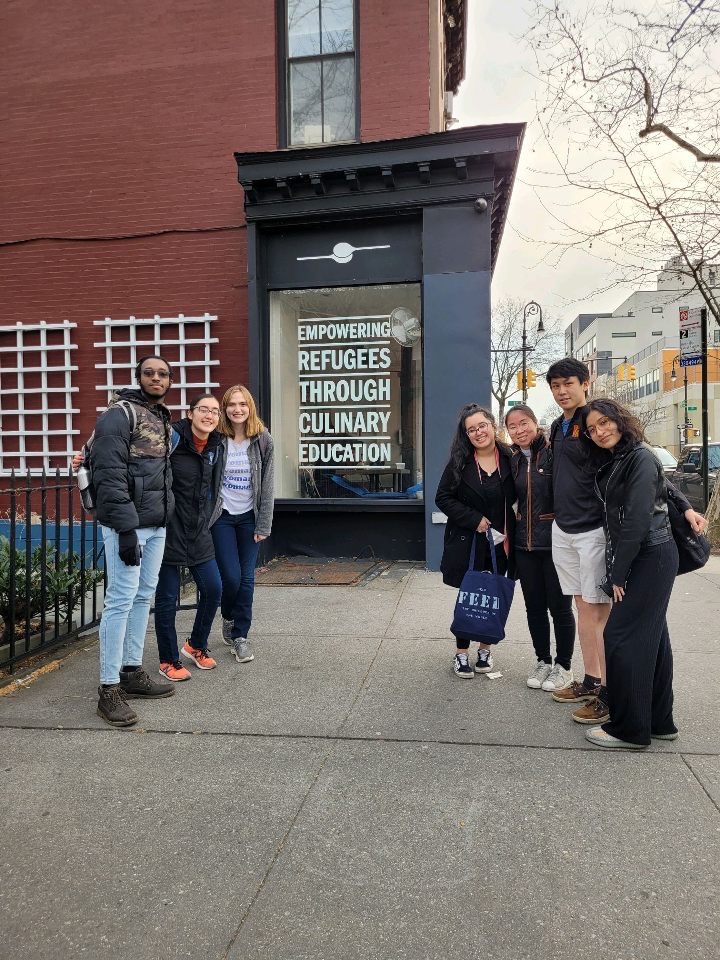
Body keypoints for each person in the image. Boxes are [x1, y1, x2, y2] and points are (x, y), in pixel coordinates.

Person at [546, 358, 707, 726]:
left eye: (567, 383)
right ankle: (591, 679)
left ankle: (607, 692)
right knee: (581, 608)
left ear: (585, 383)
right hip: (565, 531)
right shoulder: (561, 426)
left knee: (599, 614)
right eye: (555, 386)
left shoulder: (596, 422)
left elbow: (646, 475)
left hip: (594, 531)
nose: (561, 391)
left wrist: (683, 506)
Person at [580, 399, 681, 748]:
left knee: (622, 638)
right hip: (649, 554)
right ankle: (658, 720)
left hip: (648, 555)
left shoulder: (639, 457)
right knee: (652, 639)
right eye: (592, 429)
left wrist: (617, 574)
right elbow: (665, 491)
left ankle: (629, 729)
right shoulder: (625, 458)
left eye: (605, 423)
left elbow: (637, 519)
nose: (599, 432)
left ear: (620, 420)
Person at [91, 355, 176, 727]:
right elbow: (108, 475)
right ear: (138, 377)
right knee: (120, 601)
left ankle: (131, 670)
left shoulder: (160, 415)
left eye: (163, 374)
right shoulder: (119, 413)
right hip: (129, 526)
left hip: (157, 525)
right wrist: (125, 530)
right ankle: (108, 689)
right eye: (149, 373)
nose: (156, 378)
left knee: (144, 596)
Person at [436, 404, 515, 678]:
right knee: (468, 596)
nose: (478, 432)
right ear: (466, 435)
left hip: (500, 543)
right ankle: (461, 654)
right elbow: (443, 498)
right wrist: (473, 519)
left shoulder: (510, 457)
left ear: (493, 425)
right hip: (468, 541)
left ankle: (485, 649)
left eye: (482, 425)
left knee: (492, 596)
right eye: (471, 429)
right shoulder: (460, 462)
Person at [153, 394, 225, 680]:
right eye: (203, 410)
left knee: (214, 589)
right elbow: (130, 452)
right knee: (167, 598)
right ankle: (168, 659)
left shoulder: (215, 445)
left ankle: (195, 645)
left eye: (215, 412)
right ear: (191, 413)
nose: (209, 416)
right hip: (169, 529)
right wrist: (85, 456)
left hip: (198, 530)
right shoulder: (170, 438)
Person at [505, 404, 576, 691]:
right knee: (534, 607)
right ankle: (543, 660)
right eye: (513, 426)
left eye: (524, 423)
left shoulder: (554, 451)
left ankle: (564, 666)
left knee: (560, 608)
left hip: (556, 543)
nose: (519, 430)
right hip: (525, 545)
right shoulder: (513, 459)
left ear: (536, 423)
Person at [212, 384, 274, 665]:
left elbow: (268, 485)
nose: (238, 409)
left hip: (250, 517)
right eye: (232, 404)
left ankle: (240, 636)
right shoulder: (216, 439)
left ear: (250, 408)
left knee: (247, 579)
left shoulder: (261, 439)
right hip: (222, 518)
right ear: (225, 408)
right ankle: (227, 615)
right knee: (231, 577)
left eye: (243, 404)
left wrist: (264, 523)